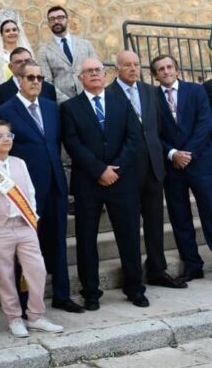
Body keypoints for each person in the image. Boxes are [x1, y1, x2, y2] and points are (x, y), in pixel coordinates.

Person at [0, 59, 82, 313]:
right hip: (23, 189)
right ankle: (24, 301)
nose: (35, 82)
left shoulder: (52, 108)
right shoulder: (5, 110)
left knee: (59, 243)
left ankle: (62, 295)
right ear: (19, 80)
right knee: (26, 246)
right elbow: (0, 150)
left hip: (55, 184)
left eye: (40, 78)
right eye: (30, 77)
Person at [61, 58, 146, 310]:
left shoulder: (122, 103)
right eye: (89, 71)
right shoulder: (70, 108)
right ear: (81, 78)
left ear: (105, 75)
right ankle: (91, 292)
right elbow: (72, 143)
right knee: (86, 240)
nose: (95, 74)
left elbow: (134, 138)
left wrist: (115, 169)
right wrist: (99, 170)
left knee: (129, 236)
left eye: (98, 70)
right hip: (88, 183)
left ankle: (135, 288)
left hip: (122, 181)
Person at [0, 121, 64, 338]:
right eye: (0, 136)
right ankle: (14, 318)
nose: (6, 139)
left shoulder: (20, 163)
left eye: (9, 135)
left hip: (25, 226)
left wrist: (33, 218)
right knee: (4, 276)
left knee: (38, 270)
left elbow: (30, 193)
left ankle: (35, 315)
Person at [110, 51, 186, 288]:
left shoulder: (150, 92)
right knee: (129, 228)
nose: (133, 68)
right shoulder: (109, 95)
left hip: (154, 167)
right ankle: (133, 279)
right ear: (117, 69)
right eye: (127, 65)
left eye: (136, 64)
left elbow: (156, 129)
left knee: (154, 223)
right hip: (126, 171)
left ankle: (157, 270)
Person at [152, 54, 212, 282]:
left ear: (177, 70)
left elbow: (206, 123)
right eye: (160, 69)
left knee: (210, 212)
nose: (166, 72)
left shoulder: (196, 91)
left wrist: (187, 153)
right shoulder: (152, 98)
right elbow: (153, 132)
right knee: (180, 217)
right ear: (155, 75)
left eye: (169, 67)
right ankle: (193, 265)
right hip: (172, 167)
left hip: (202, 163)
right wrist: (173, 154)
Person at [37, 6, 98, 104]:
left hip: (90, 100)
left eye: (60, 17)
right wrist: (67, 103)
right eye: (52, 19)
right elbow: (46, 82)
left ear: (67, 20)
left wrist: (92, 95)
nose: (56, 21)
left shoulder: (85, 44)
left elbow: (96, 71)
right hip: (63, 105)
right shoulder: (43, 51)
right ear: (48, 23)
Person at [0, 47, 57, 114]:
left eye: (28, 61)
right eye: (19, 62)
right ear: (10, 67)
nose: (24, 64)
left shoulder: (48, 89)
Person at [0, 9, 33, 83]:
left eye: (14, 30)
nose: (12, 33)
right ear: (1, 34)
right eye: (7, 31)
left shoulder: (26, 52)